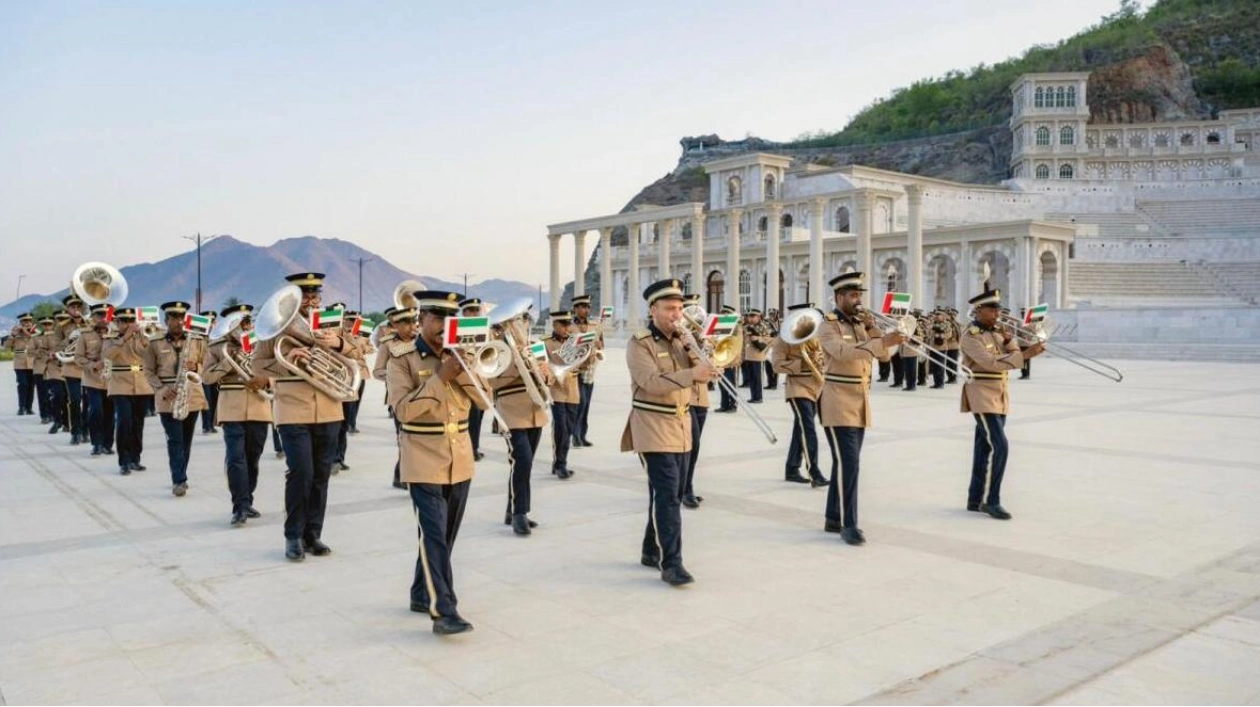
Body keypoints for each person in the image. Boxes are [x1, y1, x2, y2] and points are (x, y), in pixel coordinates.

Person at [386, 289, 486, 635]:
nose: (444, 326)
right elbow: (403, 410)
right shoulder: (402, 359)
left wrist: (461, 370)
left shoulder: (463, 356)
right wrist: (442, 376)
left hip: (459, 453)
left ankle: (419, 592)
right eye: (437, 318)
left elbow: (484, 402)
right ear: (422, 320)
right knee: (433, 534)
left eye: (450, 319)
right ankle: (444, 609)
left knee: (445, 534)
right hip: (421, 453)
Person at [622, 278, 717, 586]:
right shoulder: (640, 343)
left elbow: (701, 380)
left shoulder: (682, 339)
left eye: (679, 308)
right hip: (652, 424)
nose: (677, 314)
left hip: (682, 424)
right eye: (670, 309)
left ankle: (651, 549)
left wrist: (700, 354)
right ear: (653, 310)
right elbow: (651, 382)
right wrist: (694, 373)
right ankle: (672, 563)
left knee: (671, 493)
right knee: (667, 496)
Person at [253, 273, 347, 561]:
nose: (310, 300)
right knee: (300, 472)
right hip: (292, 407)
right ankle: (292, 535)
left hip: (329, 405)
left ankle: (313, 534)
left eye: (314, 295)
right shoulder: (276, 326)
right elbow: (258, 366)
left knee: (321, 475)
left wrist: (339, 343)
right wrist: (288, 362)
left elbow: (358, 350)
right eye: (304, 295)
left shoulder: (331, 322)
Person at [817, 272, 902, 546]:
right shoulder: (827, 325)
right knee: (849, 463)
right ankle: (849, 524)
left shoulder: (861, 324)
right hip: (837, 398)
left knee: (844, 463)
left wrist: (876, 330)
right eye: (853, 295)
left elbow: (885, 355)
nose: (858, 300)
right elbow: (843, 353)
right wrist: (880, 342)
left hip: (860, 399)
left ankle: (833, 517)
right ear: (839, 297)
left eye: (860, 295)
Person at [961, 289, 1045, 520]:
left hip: (999, 394)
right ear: (978, 310)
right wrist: (1026, 355)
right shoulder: (970, 335)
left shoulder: (999, 333)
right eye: (992, 309)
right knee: (1001, 446)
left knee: (984, 448)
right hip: (981, 394)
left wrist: (1013, 343)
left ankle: (975, 498)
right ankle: (992, 500)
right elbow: (989, 362)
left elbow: (1013, 353)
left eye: (998, 308)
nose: (997, 313)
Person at [200, 304, 272, 526]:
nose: (244, 327)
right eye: (239, 324)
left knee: (253, 457)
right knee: (235, 458)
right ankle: (239, 506)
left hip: (259, 404)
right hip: (231, 404)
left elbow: (273, 369)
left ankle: (247, 500)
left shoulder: (260, 342)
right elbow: (207, 378)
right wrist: (227, 361)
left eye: (247, 323)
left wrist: (266, 380)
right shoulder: (216, 347)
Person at [488, 312, 549, 535]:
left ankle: (511, 508)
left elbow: (548, 378)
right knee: (521, 458)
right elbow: (491, 381)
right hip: (511, 410)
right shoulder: (494, 349)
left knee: (525, 463)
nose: (521, 325)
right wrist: (518, 362)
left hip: (534, 409)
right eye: (515, 322)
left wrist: (543, 371)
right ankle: (519, 513)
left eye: (523, 321)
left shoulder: (534, 346)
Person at [144, 301, 207, 496]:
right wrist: (161, 389)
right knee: (175, 439)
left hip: (192, 393)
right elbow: (148, 371)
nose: (179, 322)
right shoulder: (155, 342)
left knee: (186, 439)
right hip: (167, 395)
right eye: (174, 318)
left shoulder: (197, 340)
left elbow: (208, 365)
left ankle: (181, 473)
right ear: (167, 320)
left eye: (182, 318)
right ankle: (178, 479)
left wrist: (196, 368)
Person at [770, 303, 827, 487]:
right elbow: (777, 365)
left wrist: (820, 359)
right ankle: (814, 472)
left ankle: (791, 468)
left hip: (816, 386)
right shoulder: (783, 339)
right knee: (808, 428)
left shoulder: (818, 336)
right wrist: (801, 363)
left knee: (800, 429)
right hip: (798, 387)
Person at [104, 308, 152, 475]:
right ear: (119, 323)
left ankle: (135, 458)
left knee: (138, 423)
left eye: (132, 321)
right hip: (120, 385)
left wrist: (144, 338)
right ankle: (123, 461)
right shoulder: (111, 338)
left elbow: (149, 356)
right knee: (124, 421)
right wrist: (124, 338)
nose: (129, 324)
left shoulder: (142, 338)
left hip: (141, 384)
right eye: (125, 321)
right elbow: (107, 355)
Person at [375, 306, 415, 490]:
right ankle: (401, 476)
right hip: (399, 397)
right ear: (395, 325)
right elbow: (377, 371)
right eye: (405, 322)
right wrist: (396, 375)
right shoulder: (387, 343)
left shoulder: (422, 341)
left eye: (412, 321)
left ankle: (408, 475)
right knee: (404, 438)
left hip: (421, 396)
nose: (410, 326)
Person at [543, 311, 579, 480]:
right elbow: (542, 365)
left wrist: (591, 353)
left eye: (568, 324)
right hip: (557, 389)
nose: (567, 328)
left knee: (569, 428)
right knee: (561, 428)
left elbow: (584, 363)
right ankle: (560, 465)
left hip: (573, 388)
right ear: (554, 325)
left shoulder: (575, 341)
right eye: (563, 325)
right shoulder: (546, 343)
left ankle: (558, 461)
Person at [75, 305, 115, 456]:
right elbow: (78, 357)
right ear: (93, 317)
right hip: (92, 378)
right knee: (96, 410)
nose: (103, 318)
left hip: (111, 378)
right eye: (99, 315)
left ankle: (107, 444)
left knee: (110, 412)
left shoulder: (116, 333)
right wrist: (92, 365)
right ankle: (96, 443)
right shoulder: (85, 335)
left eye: (106, 315)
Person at [331, 306, 367, 472]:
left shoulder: (355, 334)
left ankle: (339, 458)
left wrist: (354, 337)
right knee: (333, 424)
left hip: (350, 379)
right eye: (348, 319)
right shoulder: (332, 330)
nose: (350, 322)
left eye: (353, 320)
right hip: (332, 380)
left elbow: (360, 352)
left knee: (344, 424)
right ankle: (332, 458)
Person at [681, 293, 708, 510]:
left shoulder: (703, 339)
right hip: (686, 396)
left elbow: (723, 360)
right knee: (691, 444)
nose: (695, 319)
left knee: (695, 448)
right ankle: (685, 489)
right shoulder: (680, 341)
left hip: (702, 398)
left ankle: (686, 486)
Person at [570, 295, 603, 447]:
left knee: (586, 403)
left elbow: (601, 345)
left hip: (590, 369)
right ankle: (575, 435)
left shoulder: (595, 325)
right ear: (576, 309)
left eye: (588, 307)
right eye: (582, 307)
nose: (586, 310)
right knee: (580, 402)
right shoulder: (569, 326)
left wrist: (598, 345)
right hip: (576, 369)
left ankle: (582, 435)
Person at [458, 298, 487, 460]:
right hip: (465, 378)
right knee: (471, 416)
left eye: (477, 310)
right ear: (465, 313)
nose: (476, 313)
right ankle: (471, 449)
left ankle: (474, 446)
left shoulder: (484, 329)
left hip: (481, 378)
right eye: (472, 310)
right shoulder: (458, 330)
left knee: (478, 416)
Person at [60, 295, 89, 445]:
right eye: (73, 307)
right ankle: (76, 432)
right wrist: (69, 339)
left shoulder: (90, 323)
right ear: (67, 309)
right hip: (71, 368)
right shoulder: (62, 326)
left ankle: (86, 430)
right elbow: (56, 346)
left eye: (79, 306)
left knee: (89, 402)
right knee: (75, 401)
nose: (76, 309)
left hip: (88, 369)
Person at [714, 305, 742, 413]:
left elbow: (739, 343)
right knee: (721, 383)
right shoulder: (720, 326)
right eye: (722, 313)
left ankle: (733, 405)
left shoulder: (736, 327)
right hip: (721, 359)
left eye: (725, 314)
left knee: (731, 384)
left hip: (731, 359)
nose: (723, 315)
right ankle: (724, 404)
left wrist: (736, 358)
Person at [8, 314, 36, 416]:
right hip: (20, 363)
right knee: (23, 384)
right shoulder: (16, 334)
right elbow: (6, 346)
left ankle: (29, 407)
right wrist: (13, 335)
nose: (27, 323)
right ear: (21, 323)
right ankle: (21, 407)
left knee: (31, 386)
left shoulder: (35, 333)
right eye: (25, 321)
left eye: (29, 321)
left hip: (33, 363)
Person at [741, 310, 772, 403]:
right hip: (748, 355)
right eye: (750, 316)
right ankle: (753, 396)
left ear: (759, 317)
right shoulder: (746, 327)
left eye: (753, 316)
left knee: (757, 377)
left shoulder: (763, 326)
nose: (750, 318)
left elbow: (769, 339)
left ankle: (758, 397)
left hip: (757, 355)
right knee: (751, 377)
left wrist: (757, 338)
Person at [199, 310, 221, 435]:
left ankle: (212, 423)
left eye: (212, 321)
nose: (211, 323)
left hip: (215, 372)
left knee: (215, 398)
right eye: (207, 321)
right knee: (206, 399)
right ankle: (206, 425)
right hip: (203, 372)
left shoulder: (217, 337)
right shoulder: (199, 338)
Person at [30, 316, 52, 423]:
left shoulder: (58, 337)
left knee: (55, 394)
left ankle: (54, 414)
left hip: (54, 370)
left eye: (49, 324)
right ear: (42, 326)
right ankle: (45, 415)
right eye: (45, 324)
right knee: (42, 393)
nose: (47, 327)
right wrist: (39, 351)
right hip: (40, 369)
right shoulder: (36, 337)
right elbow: (29, 352)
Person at [762, 310, 780, 391]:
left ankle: (774, 384)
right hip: (768, 347)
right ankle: (769, 383)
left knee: (775, 367)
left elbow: (777, 334)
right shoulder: (767, 323)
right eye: (770, 314)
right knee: (768, 368)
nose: (771, 316)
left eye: (772, 314)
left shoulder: (778, 324)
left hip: (775, 347)